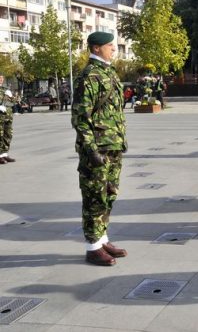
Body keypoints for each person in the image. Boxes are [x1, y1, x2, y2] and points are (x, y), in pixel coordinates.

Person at [71, 32, 127, 266]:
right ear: (96, 48)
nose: (113, 49)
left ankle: (102, 239)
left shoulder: (108, 72)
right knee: (94, 197)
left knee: (109, 194)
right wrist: (91, 150)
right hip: (97, 149)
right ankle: (93, 247)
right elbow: (80, 118)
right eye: (109, 46)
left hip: (113, 145)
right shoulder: (89, 76)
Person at [0, 74, 16, 164]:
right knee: (0, 135)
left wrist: (11, 97)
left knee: (8, 135)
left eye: (2, 78)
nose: (1, 80)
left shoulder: (5, 89)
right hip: (0, 116)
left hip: (8, 116)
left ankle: (4, 154)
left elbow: (14, 102)